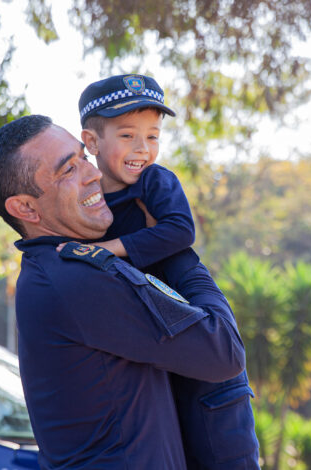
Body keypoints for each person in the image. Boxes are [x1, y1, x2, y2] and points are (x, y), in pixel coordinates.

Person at [0, 114, 247, 469]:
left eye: (83, 158)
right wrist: (174, 246)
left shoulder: (53, 272)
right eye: (68, 170)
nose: (94, 173)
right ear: (25, 208)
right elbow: (223, 351)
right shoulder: (76, 280)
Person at [77, 74, 260, 469]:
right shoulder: (84, 196)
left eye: (153, 137)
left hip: (193, 322)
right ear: (92, 141)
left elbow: (180, 229)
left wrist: (108, 250)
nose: (142, 149)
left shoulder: (155, 181)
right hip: (157, 353)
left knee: (224, 446)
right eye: (127, 135)